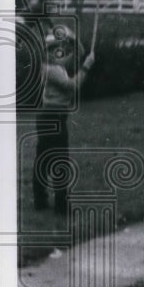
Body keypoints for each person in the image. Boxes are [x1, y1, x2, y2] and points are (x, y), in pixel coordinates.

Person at [33, 26, 94, 214]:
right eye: (51, 49)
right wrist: (86, 67)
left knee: (43, 159)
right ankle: (60, 207)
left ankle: (41, 202)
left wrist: (74, 39)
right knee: (59, 161)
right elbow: (72, 86)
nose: (56, 52)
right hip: (54, 118)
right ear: (46, 53)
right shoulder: (51, 70)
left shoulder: (55, 66)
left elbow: (79, 54)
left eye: (57, 48)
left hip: (48, 117)